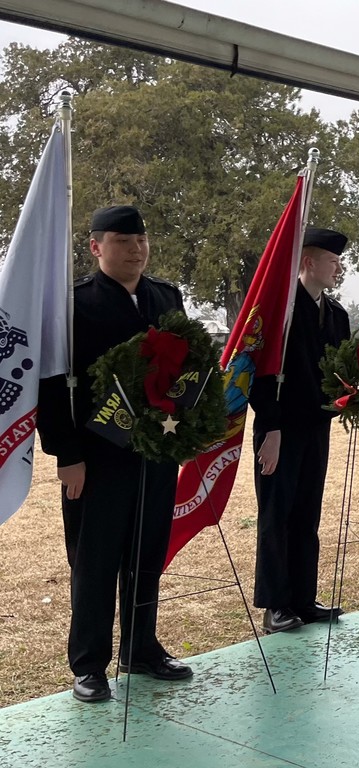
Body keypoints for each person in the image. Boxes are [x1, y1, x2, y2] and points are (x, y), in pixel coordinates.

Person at [37, 205, 192, 703]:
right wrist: (66, 453)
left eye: (141, 239)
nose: (136, 249)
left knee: (148, 554)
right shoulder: (72, 304)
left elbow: (186, 367)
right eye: (123, 241)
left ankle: (140, 649)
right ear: (96, 247)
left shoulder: (166, 296)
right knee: (96, 559)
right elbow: (54, 383)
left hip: (156, 451)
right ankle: (89, 665)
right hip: (97, 458)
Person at [249, 227, 351, 634]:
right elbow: (258, 372)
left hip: (316, 427)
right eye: (331, 261)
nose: (338, 268)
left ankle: (303, 599)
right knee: (277, 514)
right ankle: (276, 605)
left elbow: (342, 371)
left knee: (307, 513)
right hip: (280, 428)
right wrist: (270, 426)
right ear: (308, 262)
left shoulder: (337, 314)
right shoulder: (279, 309)